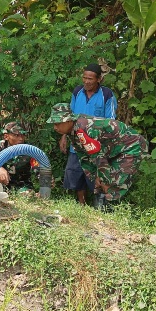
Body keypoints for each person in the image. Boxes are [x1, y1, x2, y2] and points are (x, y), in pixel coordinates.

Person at [48, 103, 147, 205]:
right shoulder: (73, 130)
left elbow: (99, 158)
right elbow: (85, 157)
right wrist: (95, 176)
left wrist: (103, 179)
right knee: (101, 181)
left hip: (132, 146)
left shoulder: (84, 130)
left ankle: (112, 211)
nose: (55, 127)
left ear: (68, 120)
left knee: (113, 181)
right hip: (114, 150)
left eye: (57, 123)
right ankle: (103, 208)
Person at [59, 63, 117, 205]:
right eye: (84, 78)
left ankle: (100, 207)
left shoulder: (107, 95)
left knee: (98, 176)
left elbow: (111, 122)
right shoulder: (77, 92)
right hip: (76, 144)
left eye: (90, 79)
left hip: (96, 145)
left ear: (99, 79)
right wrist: (64, 136)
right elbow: (70, 117)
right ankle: (82, 204)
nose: (86, 81)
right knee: (76, 174)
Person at [0, 121, 38, 192]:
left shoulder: (29, 150)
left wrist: (45, 178)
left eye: (23, 135)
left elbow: (37, 167)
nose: (21, 139)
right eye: (16, 135)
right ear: (6, 136)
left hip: (21, 185)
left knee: (28, 196)